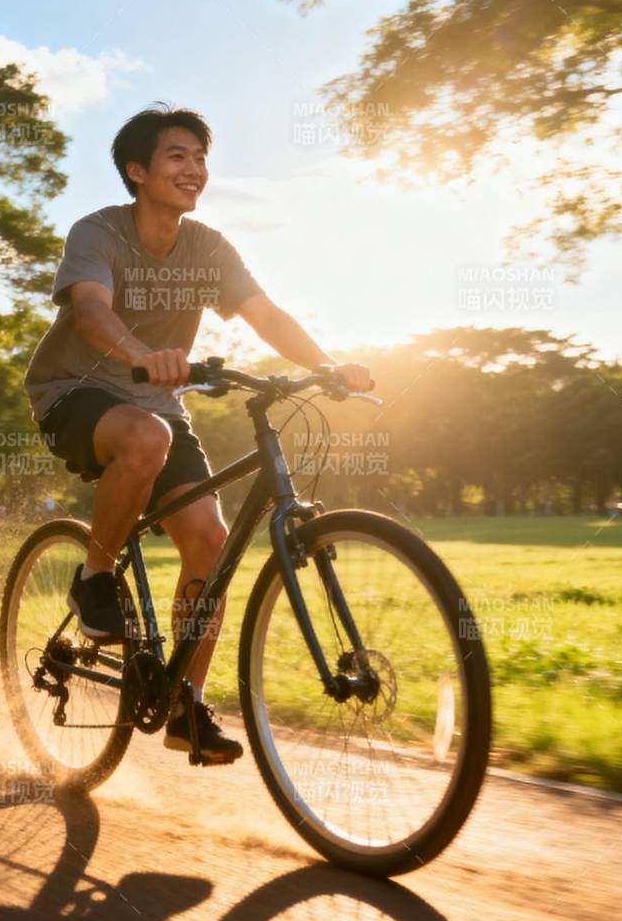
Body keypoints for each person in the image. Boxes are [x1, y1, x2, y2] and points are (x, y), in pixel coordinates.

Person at [24, 103, 373, 765]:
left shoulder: (209, 248)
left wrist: (324, 365)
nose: (194, 169)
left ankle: (185, 703)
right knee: (146, 437)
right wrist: (138, 353)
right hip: (77, 391)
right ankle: (95, 578)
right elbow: (91, 308)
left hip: (157, 402)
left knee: (210, 541)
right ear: (138, 171)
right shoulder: (96, 233)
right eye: (177, 156)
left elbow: (264, 313)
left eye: (201, 158)